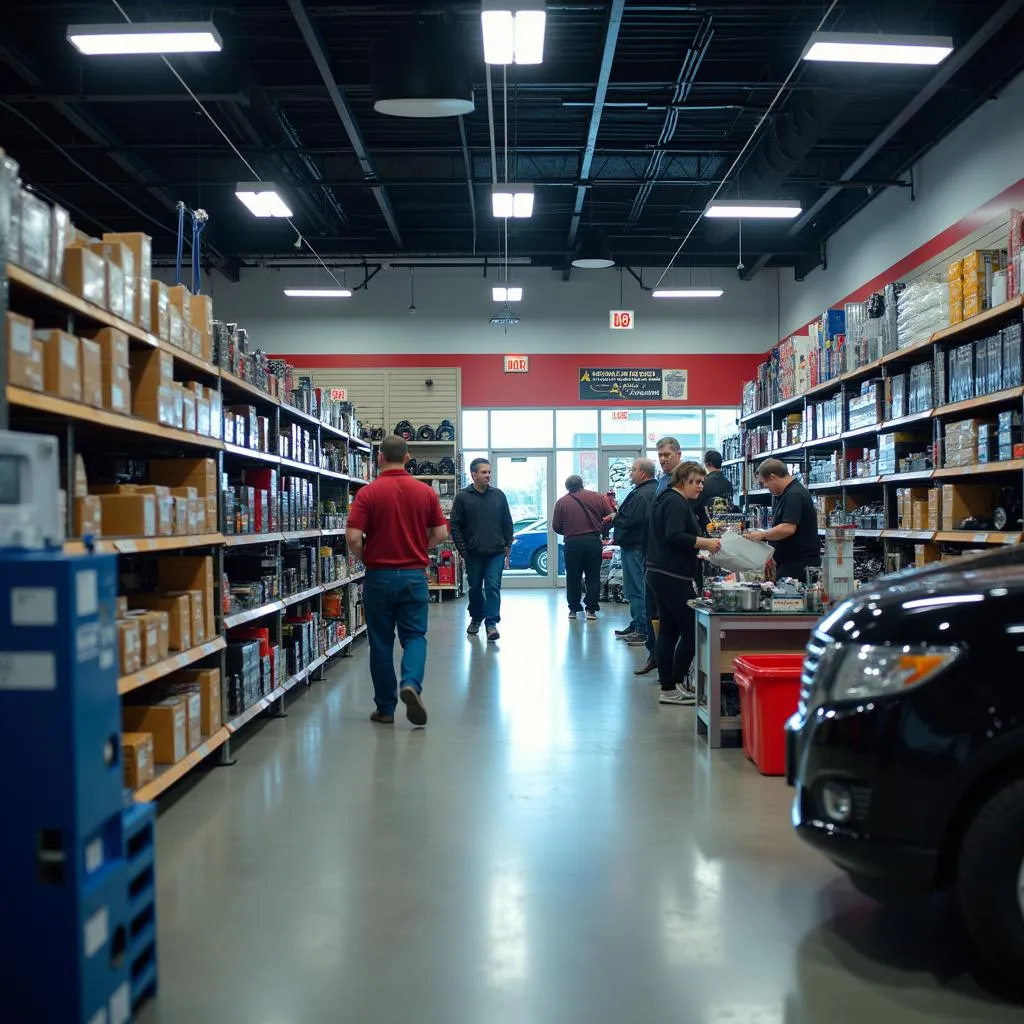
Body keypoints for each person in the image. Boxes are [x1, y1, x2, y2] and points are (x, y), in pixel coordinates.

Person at [346, 435, 449, 726]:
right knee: (415, 636)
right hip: (414, 576)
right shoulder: (425, 492)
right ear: (407, 458)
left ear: (379, 457)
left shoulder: (368, 493)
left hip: (378, 576)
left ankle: (385, 709)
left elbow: (353, 537)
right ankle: (411, 684)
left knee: (380, 642)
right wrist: (420, 546)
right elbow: (441, 533)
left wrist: (368, 557)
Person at [645, 461, 721, 705]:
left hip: (660, 571)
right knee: (690, 630)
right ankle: (673, 683)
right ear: (682, 481)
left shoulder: (668, 500)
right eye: (696, 482)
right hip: (672, 576)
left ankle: (670, 687)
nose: (700, 487)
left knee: (669, 629)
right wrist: (705, 543)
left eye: (701, 482)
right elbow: (675, 535)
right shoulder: (676, 502)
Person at [634, 436, 684, 676]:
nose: (663, 459)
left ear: (678, 454)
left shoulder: (683, 480)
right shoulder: (663, 481)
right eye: (660, 455)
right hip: (653, 555)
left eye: (667, 455)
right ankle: (656, 656)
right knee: (653, 609)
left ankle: (671, 668)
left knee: (670, 618)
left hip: (671, 561)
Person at [449, 458, 514, 642]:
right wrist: (463, 550)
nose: (488, 475)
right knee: (476, 588)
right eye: (484, 472)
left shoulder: (498, 495)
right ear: (474, 474)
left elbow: (507, 522)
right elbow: (456, 526)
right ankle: (476, 617)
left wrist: (507, 544)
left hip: (496, 552)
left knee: (493, 587)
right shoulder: (462, 497)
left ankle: (491, 623)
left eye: (489, 472)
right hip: (473, 554)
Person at [745, 458, 821, 583]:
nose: (764, 487)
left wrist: (761, 535)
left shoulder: (793, 495)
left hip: (797, 565)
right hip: (790, 562)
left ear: (772, 478)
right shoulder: (787, 494)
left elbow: (787, 528)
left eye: (763, 482)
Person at [552, 475, 613, 620]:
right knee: (593, 576)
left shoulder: (561, 502)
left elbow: (556, 526)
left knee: (573, 576)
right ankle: (591, 610)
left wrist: (569, 531)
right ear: (582, 484)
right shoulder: (597, 498)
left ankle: (573, 609)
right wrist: (601, 528)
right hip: (593, 542)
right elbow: (611, 515)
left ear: (567, 487)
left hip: (573, 543)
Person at [610, 458, 657, 643]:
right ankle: (637, 622)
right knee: (636, 587)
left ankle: (642, 629)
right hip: (639, 546)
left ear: (643, 473)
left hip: (635, 547)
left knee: (636, 588)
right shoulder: (649, 491)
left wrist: (616, 517)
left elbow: (634, 520)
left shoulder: (642, 494)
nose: (631, 473)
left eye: (633, 470)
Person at [700, 449, 735, 521]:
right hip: (725, 523)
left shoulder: (703, 483)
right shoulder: (728, 483)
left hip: (707, 524)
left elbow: (700, 506)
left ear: (706, 464)